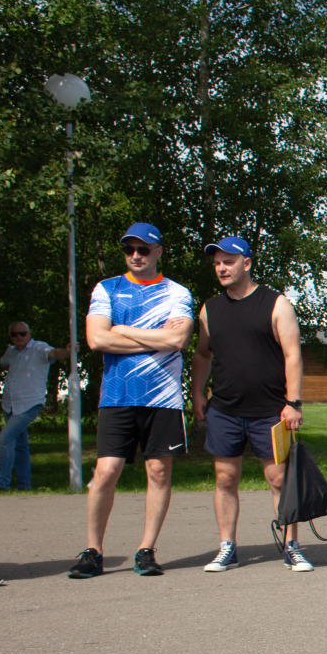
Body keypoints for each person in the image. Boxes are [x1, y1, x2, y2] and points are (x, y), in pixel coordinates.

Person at [68, 223, 195, 579]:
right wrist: (154, 338)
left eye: (143, 249)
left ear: (158, 251)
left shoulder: (176, 292)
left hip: (163, 398)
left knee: (158, 471)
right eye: (130, 250)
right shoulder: (107, 289)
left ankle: (146, 550)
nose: (136, 256)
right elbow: (96, 339)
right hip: (117, 395)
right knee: (106, 472)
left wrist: (121, 331)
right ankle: (93, 550)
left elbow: (177, 341)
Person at [190, 235, 311, 572]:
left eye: (228, 261)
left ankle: (291, 546)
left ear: (246, 262)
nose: (221, 267)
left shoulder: (276, 304)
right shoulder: (209, 309)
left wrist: (293, 402)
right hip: (225, 410)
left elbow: (292, 355)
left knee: (278, 480)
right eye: (216, 262)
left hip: (269, 411)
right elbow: (202, 353)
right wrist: (198, 393)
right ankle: (227, 547)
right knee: (225, 478)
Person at [0, 322, 70, 492]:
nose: (19, 337)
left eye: (22, 333)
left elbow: (55, 353)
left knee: (4, 439)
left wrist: (67, 351)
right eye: (14, 334)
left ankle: (1, 485)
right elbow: (4, 362)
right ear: (11, 336)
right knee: (20, 444)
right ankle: (24, 486)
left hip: (30, 403)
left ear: (29, 334)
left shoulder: (39, 348)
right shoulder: (11, 351)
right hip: (10, 403)